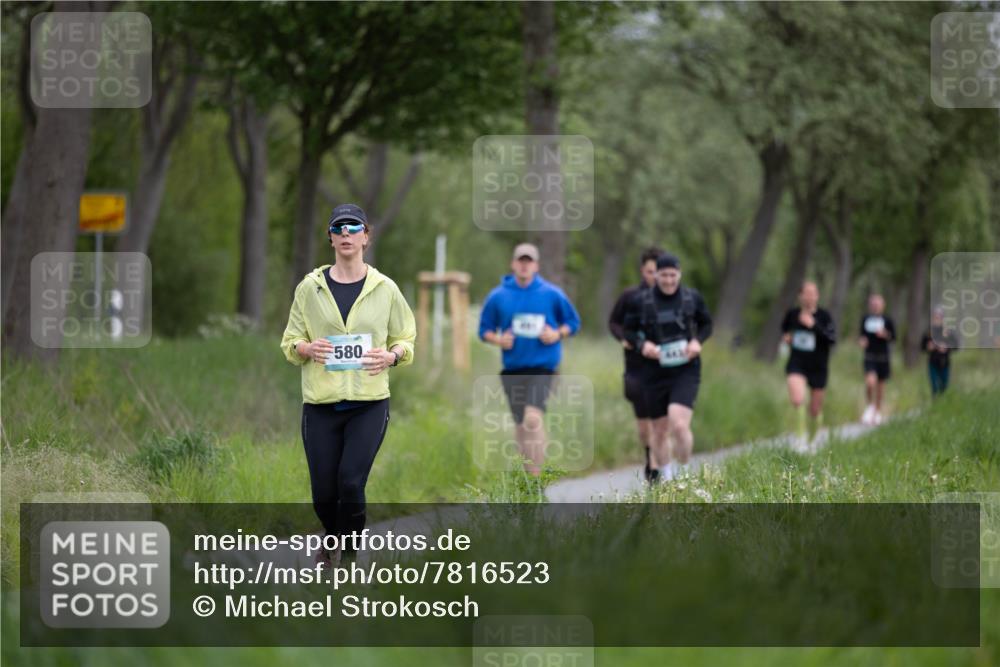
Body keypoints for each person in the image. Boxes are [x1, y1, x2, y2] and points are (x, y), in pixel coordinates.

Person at [280, 203, 416, 567]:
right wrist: (307, 347)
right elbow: (290, 342)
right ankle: (333, 537)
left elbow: (406, 336)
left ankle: (349, 558)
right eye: (338, 228)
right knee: (324, 496)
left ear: (366, 237)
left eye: (353, 228)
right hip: (320, 404)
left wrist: (393, 355)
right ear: (330, 238)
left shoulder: (385, 288)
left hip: (369, 403)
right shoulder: (310, 289)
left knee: (351, 484)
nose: (346, 234)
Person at [478, 243, 581, 476]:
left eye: (529, 261)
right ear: (513, 264)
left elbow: (573, 323)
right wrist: (499, 339)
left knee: (532, 419)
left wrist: (557, 333)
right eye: (520, 261)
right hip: (513, 368)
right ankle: (526, 480)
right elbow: (484, 330)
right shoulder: (498, 296)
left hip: (543, 367)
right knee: (521, 426)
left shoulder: (552, 293)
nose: (524, 265)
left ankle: (536, 480)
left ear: (536, 265)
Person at [622, 252, 712, 482]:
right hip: (653, 371)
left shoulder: (692, 298)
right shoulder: (641, 301)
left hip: (686, 369)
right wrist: (643, 345)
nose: (669, 280)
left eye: (673, 275)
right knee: (659, 430)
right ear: (656, 275)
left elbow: (707, 324)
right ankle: (668, 476)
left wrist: (697, 341)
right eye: (664, 275)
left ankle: (684, 469)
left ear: (679, 274)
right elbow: (628, 331)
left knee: (679, 425)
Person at [608, 247, 662, 482]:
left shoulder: (673, 299)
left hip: (664, 368)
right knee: (644, 426)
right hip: (636, 368)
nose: (655, 277)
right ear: (643, 271)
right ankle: (649, 451)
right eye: (651, 272)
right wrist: (623, 338)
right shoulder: (630, 296)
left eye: (659, 272)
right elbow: (613, 322)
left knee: (661, 418)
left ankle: (658, 466)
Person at [780, 281, 836, 447]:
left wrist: (813, 325)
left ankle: (814, 440)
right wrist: (787, 338)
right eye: (806, 293)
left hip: (818, 366)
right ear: (800, 296)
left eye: (813, 293)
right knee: (798, 400)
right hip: (797, 363)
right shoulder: (792, 314)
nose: (810, 296)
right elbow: (785, 330)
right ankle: (800, 438)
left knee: (815, 409)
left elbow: (831, 339)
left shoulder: (824, 316)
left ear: (817, 296)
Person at [858, 293, 896, 425]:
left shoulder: (887, 320)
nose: (875, 306)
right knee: (870, 382)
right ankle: (870, 407)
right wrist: (862, 341)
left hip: (883, 357)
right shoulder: (865, 319)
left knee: (880, 387)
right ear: (869, 306)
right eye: (872, 304)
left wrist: (885, 334)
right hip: (870, 356)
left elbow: (893, 337)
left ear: (882, 305)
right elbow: (862, 335)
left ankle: (877, 412)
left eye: (877, 304)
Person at [922, 305, 959, 397]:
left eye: (939, 316)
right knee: (934, 386)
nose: (937, 318)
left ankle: (943, 405)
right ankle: (935, 405)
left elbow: (956, 346)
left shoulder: (948, 331)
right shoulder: (928, 332)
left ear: (942, 318)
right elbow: (922, 346)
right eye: (935, 316)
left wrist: (946, 347)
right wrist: (928, 347)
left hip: (945, 362)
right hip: (933, 362)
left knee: (944, 386)